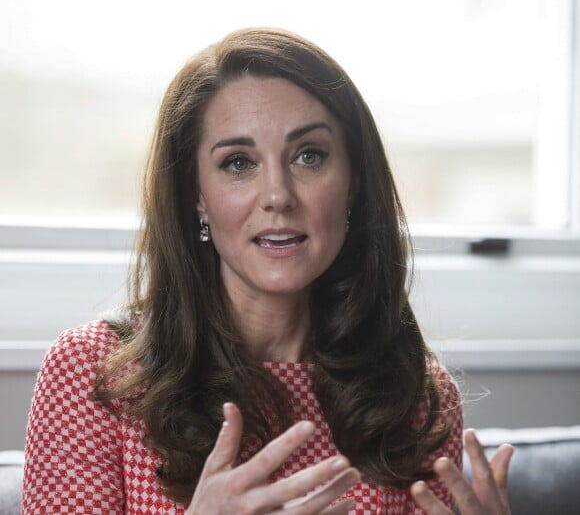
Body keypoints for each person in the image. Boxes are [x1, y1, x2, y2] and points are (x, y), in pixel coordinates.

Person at [22, 27, 505, 514]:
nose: (278, 195)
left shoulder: (415, 395)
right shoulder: (92, 372)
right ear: (196, 196)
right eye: (237, 163)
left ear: (354, 181)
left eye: (308, 156)